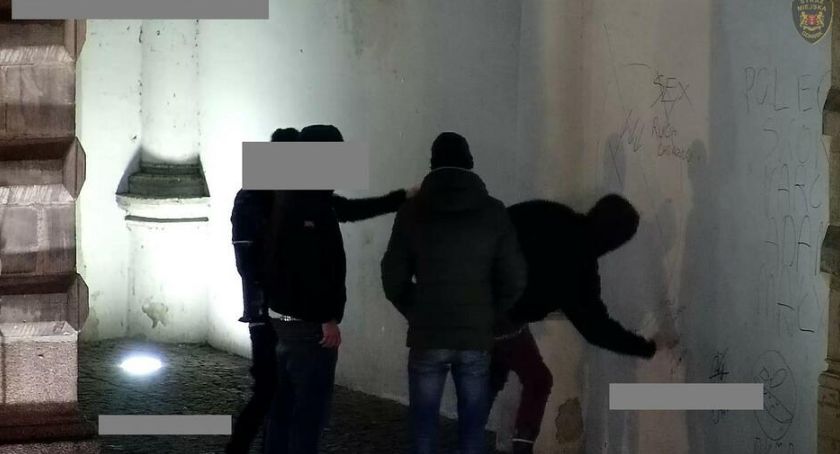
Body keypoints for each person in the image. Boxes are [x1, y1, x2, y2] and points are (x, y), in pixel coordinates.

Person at [227, 124, 415, 454]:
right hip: (300, 321)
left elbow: (344, 212)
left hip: (280, 316)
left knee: (282, 405)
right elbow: (310, 267)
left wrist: (399, 198)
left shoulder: (292, 194)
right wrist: (325, 317)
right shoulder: (301, 202)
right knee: (304, 411)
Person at [381, 132, 528, 454]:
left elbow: (392, 278)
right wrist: (488, 313)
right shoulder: (493, 211)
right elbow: (516, 278)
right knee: (473, 429)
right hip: (475, 336)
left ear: (432, 163)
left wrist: (417, 310)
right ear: (469, 162)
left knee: (423, 427)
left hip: (428, 334)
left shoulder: (411, 212)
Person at [489, 195, 662, 454]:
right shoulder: (581, 266)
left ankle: (468, 437)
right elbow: (597, 329)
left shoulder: (552, 212)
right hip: (497, 317)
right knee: (537, 379)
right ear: (614, 241)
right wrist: (647, 347)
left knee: (493, 374)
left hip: (466, 295)